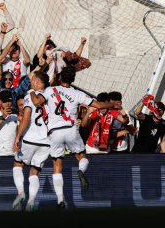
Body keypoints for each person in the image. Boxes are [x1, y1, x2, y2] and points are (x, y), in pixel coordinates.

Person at [30, 66, 113, 208]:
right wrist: (112, 104)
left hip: (55, 132)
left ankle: (60, 200)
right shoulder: (77, 93)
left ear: (60, 77)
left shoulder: (50, 90)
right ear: (73, 79)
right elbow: (99, 105)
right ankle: (80, 170)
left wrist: (32, 91)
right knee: (81, 157)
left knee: (57, 165)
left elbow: (37, 102)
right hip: (71, 129)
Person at [12, 71, 50, 211]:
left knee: (18, 163)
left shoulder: (30, 95)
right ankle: (31, 200)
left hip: (30, 138)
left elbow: (26, 118)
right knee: (35, 172)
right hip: (46, 142)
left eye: (33, 79)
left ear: (38, 83)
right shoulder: (50, 95)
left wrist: (17, 138)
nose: (31, 81)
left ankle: (21, 192)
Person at [0, 89, 18, 156]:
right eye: (5, 101)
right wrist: (3, 116)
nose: (7, 103)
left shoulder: (15, 116)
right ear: (0, 102)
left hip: (12, 152)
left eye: (9, 101)